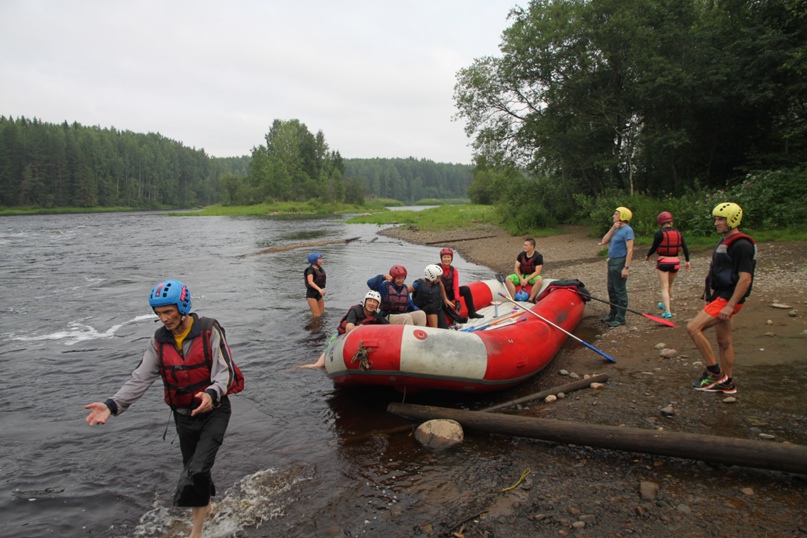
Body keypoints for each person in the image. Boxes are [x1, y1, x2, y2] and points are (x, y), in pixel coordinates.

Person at [84, 280, 243, 538]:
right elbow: (141, 378)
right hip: (183, 417)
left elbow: (225, 372)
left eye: (168, 312)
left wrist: (211, 393)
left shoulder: (209, 330)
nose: (163, 318)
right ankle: (208, 507)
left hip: (214, 411)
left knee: (197, 470)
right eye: (158, 313)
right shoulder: (158, 341)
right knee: (192, 467)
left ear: (183, 306)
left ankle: (196, 532)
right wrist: (112, 405)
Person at [687, 203, 756, 394]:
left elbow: (745, 278)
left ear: (732, 220)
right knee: (724, 341)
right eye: (716, 219)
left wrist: (730, 305)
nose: (716, 223)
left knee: (693, 327)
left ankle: (714, 373)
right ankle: (727, 383)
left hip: (728, 299)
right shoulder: (724, 241)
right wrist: (709, 296)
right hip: (719, 297)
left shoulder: (742, 245)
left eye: (720, 219)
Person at [300, 290, 389, 369]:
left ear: (377, 305)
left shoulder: (376, 317)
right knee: (319, 365)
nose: (371, 304)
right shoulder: (356, 310)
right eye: (370, 300)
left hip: (358, 342)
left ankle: (320, 357)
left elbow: (389, 327)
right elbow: (348, 328)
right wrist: (361, 328)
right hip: (340, 338)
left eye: (375, 302)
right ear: (365, 301)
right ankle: (296, 368)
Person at [645, 211, 691, 319]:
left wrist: (648, 255)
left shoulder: (659, 234)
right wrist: (687, 261)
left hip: (663, 262)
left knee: (664, 287)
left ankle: (667, 311)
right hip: (675, 262)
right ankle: (665, 303)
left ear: (660, 222)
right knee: (670, 285)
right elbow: (685, 247)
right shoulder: (678, 233)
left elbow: (654, 247)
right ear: (671, 221)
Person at [600, 207, 635, 327]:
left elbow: (630, 250)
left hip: (620, 262)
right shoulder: (615, 229)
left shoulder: (628, 230)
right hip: (611, 262)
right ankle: (613, 314)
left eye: (616, 214)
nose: (613, 216)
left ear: (623, 216)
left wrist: (626, 267)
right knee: (611, 289)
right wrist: (613, 228)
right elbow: (604, 241)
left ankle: (621, 318)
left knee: (619, 290)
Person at [438, 247, 483, 320]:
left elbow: (455, 286)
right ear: (441, 258)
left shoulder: (454, 270)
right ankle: (457, 318)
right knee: (443, 298)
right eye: (444, 257)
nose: (446, 259)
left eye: (448, 257)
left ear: (451, 258)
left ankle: (472, 313)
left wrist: (457, 300)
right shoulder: (437, 268)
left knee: (466, 289)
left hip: (449, 292)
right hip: (440, 294)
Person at [411, 264, 449, 328]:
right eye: (438, 277)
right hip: (422, 310)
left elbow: (441, 286)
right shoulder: (418, 284)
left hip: (437, 309)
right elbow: (406, 291)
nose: (439, 279)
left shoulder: (438, 282)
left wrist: (445, 298)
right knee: (431, 307)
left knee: (445, 328)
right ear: (432, 276)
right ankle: (434, 329)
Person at [304, 252, 326, 316]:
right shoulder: (310, 270)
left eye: (321, 259)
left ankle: (322, 325)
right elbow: (310, 282)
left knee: (322, 313)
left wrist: (320, 290)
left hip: (318, 293)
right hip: (311, 294)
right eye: (319, 259)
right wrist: (319, 289)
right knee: (317, 315)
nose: (321, 260)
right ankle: (313, 325)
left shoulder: (320, 269)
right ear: (314, 260)